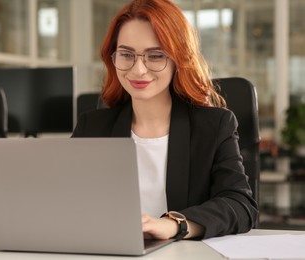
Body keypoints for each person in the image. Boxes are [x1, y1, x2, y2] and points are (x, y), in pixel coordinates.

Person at [72, 0, 258, 240]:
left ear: (178, 59)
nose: (138, 70)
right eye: (127, 54)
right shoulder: (92, 127)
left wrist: (174, 225)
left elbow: (241, 205)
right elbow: (65, 199)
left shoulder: (214, 126)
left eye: (156, 55)